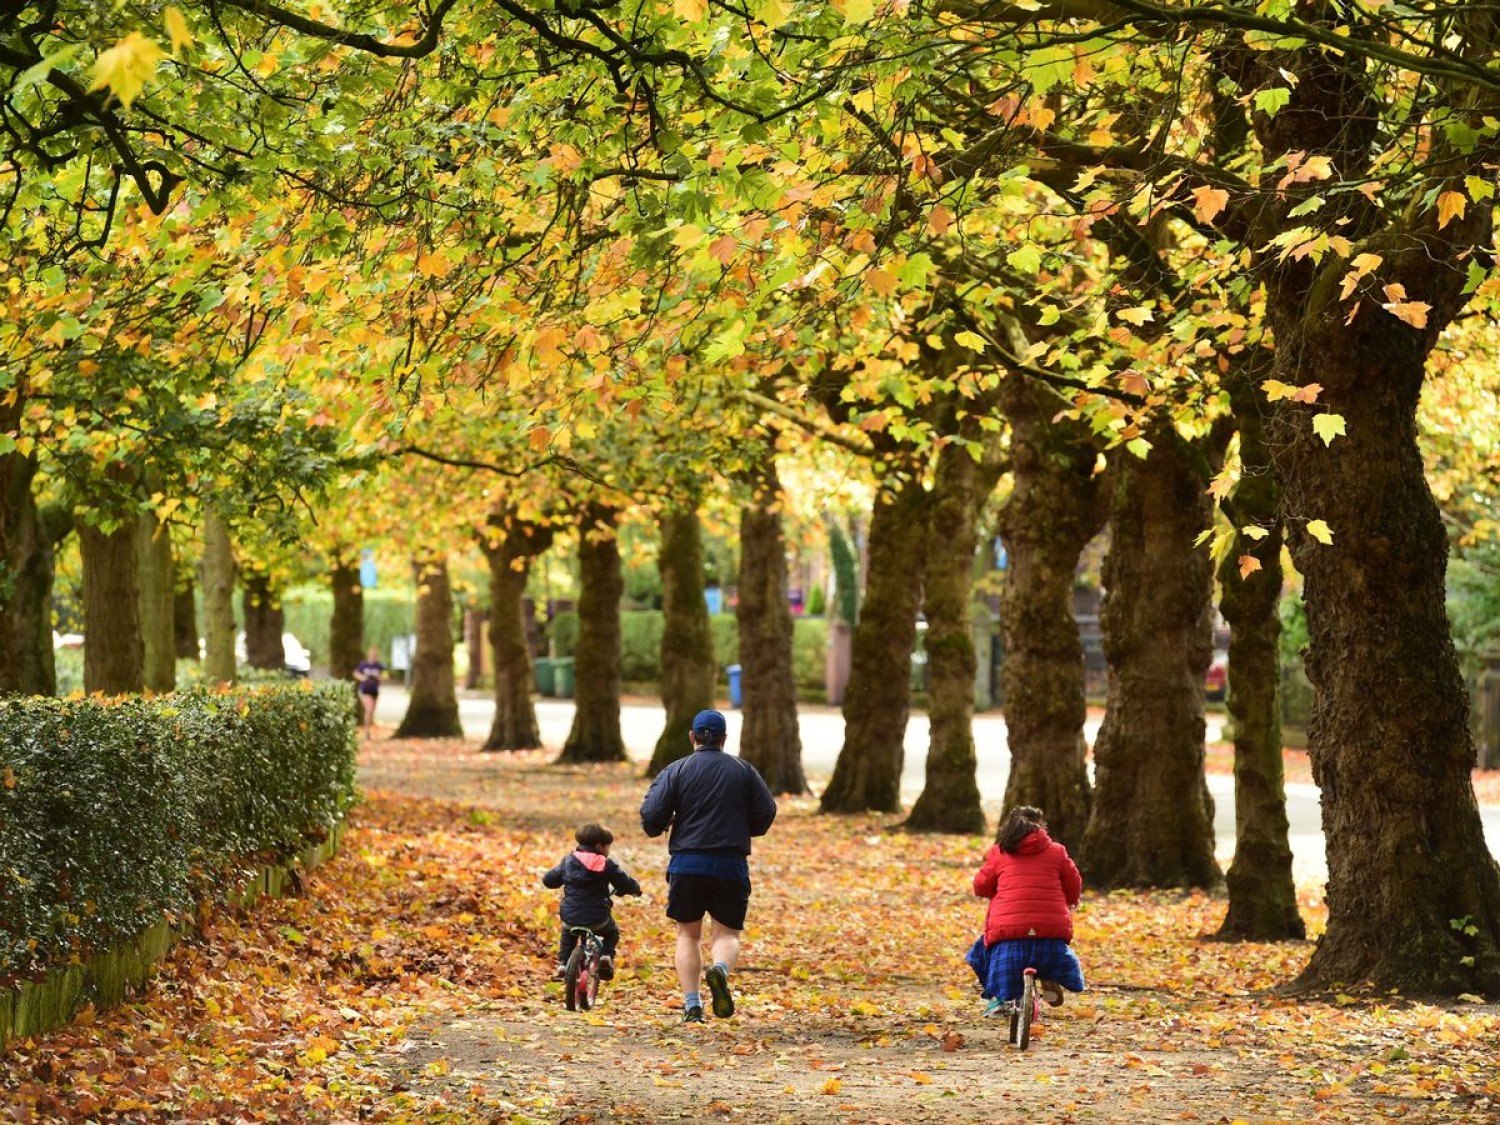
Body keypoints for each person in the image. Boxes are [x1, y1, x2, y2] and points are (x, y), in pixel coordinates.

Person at [640, 708, 778, 1024]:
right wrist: (745, 828)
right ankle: (720, 969)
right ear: (724, 739)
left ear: (692, 737)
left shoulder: (677, 770)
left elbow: (651, 815)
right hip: (730, 863)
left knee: (687, 935)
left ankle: (693, 1006)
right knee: (726, 933)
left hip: (688, 863)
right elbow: (766, 811)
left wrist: (665, 823)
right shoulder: (744, 771)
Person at [965, 805, 1086, 1018]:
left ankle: (1000, 999)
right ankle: (1050, 976)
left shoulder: (1000, 853)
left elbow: (980, 887)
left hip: (1009, 938)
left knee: (981, 953)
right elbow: (1074, 883)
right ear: (1041, 828)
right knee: (1053, 955)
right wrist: (1069, 900)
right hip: (1050, 936)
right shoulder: (1057, 851)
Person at [541, 823, 641, 979]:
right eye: (608, 847)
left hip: (570, 915)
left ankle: (562, 964)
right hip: (598, 918)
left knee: (568, 933)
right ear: (600, 846)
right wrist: (635, 889)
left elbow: (549, 880)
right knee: (612, 932)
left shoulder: (568, 860)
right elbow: (624, 882)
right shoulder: (606, 864)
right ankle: (606, 956)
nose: (608, 851)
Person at [352, 647, 385, 738]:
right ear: (369, 654)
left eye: (375, 654)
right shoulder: (363, 664)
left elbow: (385, 676)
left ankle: (369, 729)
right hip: (364, 689)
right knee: (369, 709)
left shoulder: (379, 665)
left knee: (372, 712)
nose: (373, 656)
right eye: (372, 654)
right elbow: (355, 673)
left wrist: (379, 677)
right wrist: (362, 677)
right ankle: (367, 732)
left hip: (374, 690)